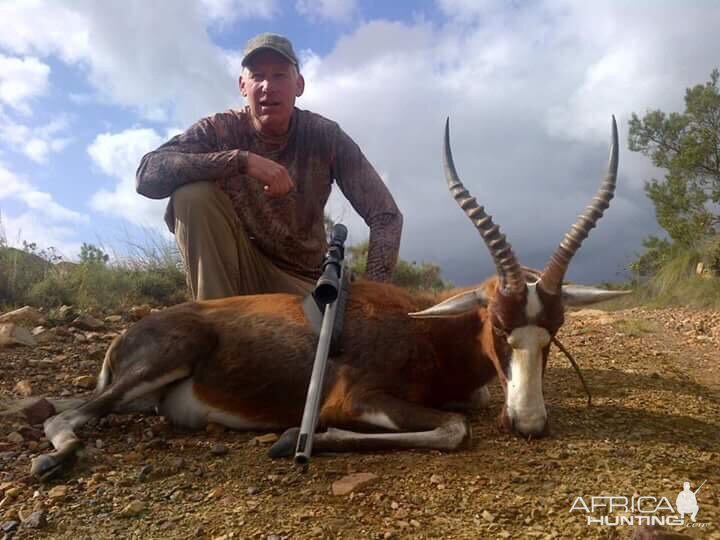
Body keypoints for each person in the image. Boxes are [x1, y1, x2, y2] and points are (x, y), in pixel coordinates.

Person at [136, 33, 403, 301]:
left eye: (279, 75)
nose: (267, 86)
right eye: (257, 76)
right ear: (242, 85)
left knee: (341, 331)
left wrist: (374, 295)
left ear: (298, 85)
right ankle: (221, 326)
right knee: (192, 196)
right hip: (238, 273)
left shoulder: (325, 136)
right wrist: (241, 160)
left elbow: (386, 215)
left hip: (303, 284)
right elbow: (147, 174)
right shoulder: (218, 129)